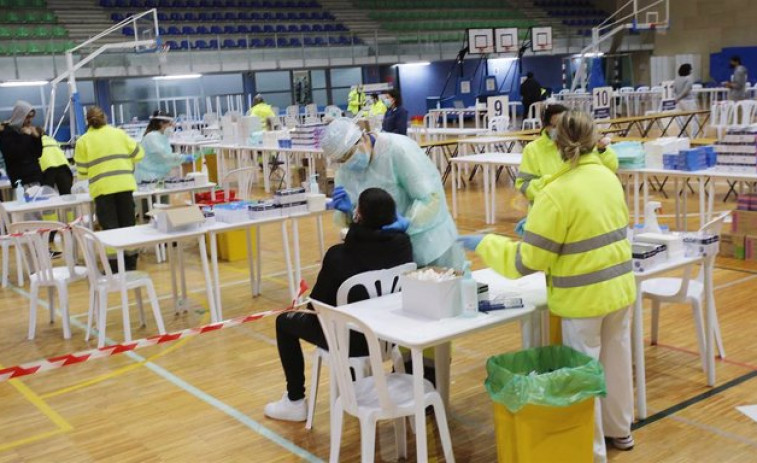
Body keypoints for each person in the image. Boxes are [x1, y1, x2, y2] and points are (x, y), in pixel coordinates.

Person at [460, 110, 636, 462]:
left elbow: (527, 262)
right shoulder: (607, 177)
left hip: (582, 298)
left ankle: (592, 449)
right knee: (617, 362)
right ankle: (621, 430)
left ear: (556, 145)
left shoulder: (556, 193)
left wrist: (484, 244)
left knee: (583, 375)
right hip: (620, 289)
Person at [264, 188, 413, 421]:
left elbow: (317, 307)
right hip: (387, 337)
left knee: (284, 322)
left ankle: (295, 400)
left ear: (358, 215)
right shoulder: (404, 246)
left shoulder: (338, 256)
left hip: (348, 342)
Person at [322, 117, 463, 270]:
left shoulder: (398, 149)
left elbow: (431, 197)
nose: (347, 162)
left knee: (445, 289)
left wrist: (409, 222)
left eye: (349, 155)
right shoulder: (345, 169)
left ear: (362, 138)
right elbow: (355, 215)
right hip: (391, 251)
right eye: (341, 160)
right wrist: (348, 213)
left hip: (430, 243)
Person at [74, 107, 144, 272]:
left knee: (110, 228)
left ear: (88, 121)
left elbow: (82, 172)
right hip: (124, 185)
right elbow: (139, 154)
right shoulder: (118, 133)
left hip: (102, 189)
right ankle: (131, 263)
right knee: (128, 225)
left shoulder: (83, 141)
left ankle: (114, 266)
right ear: (105, 118)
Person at [135, 111, 193, 183]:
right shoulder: (152, 137)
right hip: (148, 178)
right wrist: (184, 158)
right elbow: (165, 157)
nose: (173, 126)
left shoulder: (162, 137)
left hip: (157, 177)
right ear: (161, 123)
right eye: (170, 124)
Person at [0, 100, 44, 187]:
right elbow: (15, 154)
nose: (30, 120)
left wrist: (37, 138)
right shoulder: (6, 132)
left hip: (36, 176)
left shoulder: (28, 130)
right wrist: (25, 136)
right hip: (21, 180)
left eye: (31, 117)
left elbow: (38, 154)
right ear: (19, 116)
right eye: (27, 117)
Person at [38, 127, 73, 195]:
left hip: (47, 169)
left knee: (47, 197)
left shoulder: (35, 142)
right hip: (63, 167)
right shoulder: (53, 140)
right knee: (66, 195)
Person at [674, 64, 700, 136]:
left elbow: (674, 90)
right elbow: (686, 91)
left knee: (682, 119)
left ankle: (682, 135)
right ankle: (694, 135)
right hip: (689, 101)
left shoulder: (676, 79)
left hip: (679, 102)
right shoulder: (688, 79)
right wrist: (679, 97)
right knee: (694, 119)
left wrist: (677, 99)